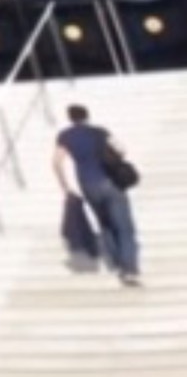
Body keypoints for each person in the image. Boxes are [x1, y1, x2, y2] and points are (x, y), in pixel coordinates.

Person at [54, 101, 142, 286]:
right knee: (124, 226)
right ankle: (129, 269)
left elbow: (57, 162)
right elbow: (122, 149)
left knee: (105, 224)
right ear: (87, 115)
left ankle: (116, 263)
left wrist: (65, 187)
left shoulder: (65, 136)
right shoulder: (100, 132)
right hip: (110, 182)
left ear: (70, 118)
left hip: (88, 185)